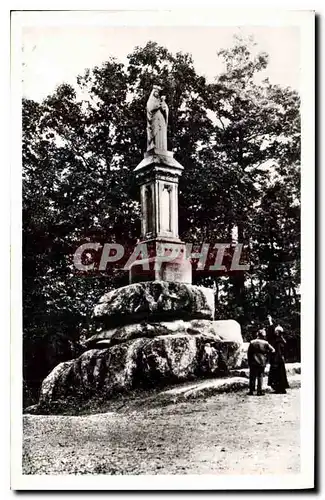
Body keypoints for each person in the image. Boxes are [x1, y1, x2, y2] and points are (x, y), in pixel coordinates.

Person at [247, 329, 275, 396]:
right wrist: (266, 354)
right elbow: (273, 350)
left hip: (253, 361)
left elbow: (249, 353)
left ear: (257, 334)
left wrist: (249, 361)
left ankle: (251, 391)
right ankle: (259, 391)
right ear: (263, 336)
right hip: (262, 361)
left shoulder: (252, 342)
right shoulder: (266, 343)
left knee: (252, 376)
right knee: (260, 376)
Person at [267, 315, 290, 394]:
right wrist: (270, 321)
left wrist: (276, 360)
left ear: (278, 332)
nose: (275, 332)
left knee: (277, 375)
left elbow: (279, 352)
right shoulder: (281, 340)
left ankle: (279, 388)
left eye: (276, 331)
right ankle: (280, 388)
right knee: (280, 375)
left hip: (277, 360)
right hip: (279, 360)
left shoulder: (278, 341)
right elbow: (271, 330)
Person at [146, 86, 169, 151]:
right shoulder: (150, 100)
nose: (157, 93)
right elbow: (150, 108)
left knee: (161, 132)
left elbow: (165, 109)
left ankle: (162, 148)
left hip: (161, 118)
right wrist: (158, 106)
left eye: (158, 92)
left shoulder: (160, 100)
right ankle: (154, 146)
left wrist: (163, 102)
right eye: (155, 92)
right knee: (155, 132)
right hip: (155, 119)